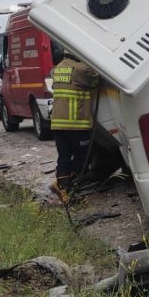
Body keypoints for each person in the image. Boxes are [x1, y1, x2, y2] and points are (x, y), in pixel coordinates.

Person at [49, 52, 101, 198]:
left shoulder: (59, 68)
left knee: (64, 156)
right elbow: (96, 80)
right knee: (83, 156)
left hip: (58, 123)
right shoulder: (80, 69)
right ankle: (69, 187)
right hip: (75, 122)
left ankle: (61, 185)